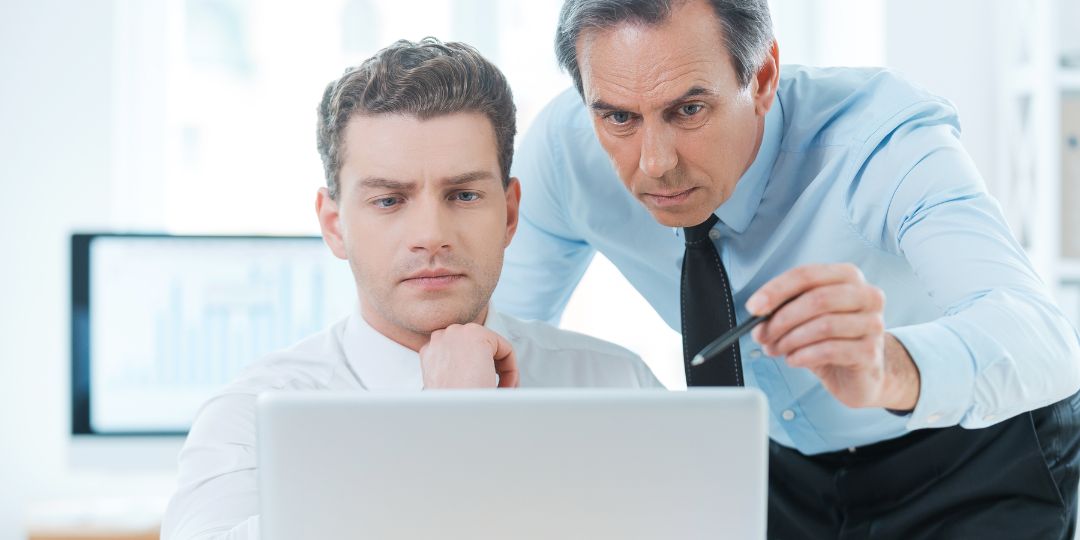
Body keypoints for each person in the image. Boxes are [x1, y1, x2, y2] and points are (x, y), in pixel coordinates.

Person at [492, 0, 1080, 537]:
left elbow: (1046, 340)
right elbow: (509, 339)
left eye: (689, 109)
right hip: (779, 471)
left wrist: (890, 367)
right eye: (618, 118)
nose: (655, 163)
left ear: (764, 77)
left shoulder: (878, 140)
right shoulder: (566, 154)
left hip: (972, 456)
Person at [160, 38, 661, 540]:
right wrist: (444, 428)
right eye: (389, 201)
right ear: (335, 225)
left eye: (463, 195)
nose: (430, 235)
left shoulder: (617, 384)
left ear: (509, 214)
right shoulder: (249, 419)